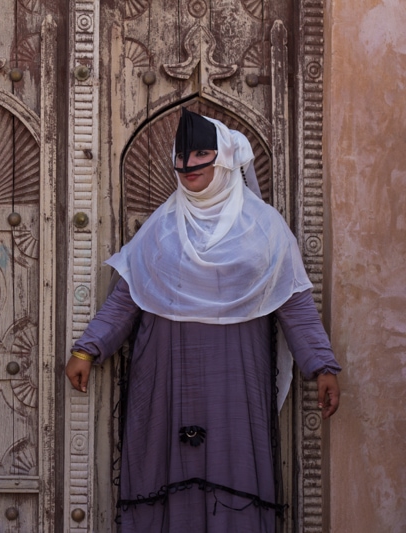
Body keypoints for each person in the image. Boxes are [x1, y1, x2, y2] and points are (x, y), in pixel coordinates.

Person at [65, 108, 341, 532]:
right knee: (166, 475)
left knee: (233, 479)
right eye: (182, 154)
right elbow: (127, 298)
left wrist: (321, 365)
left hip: (235, 379)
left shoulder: (265, 229)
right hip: (166, 375)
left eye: (200, 153)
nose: (189, 164)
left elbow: (294, 302)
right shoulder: (161, 229)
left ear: (225, 158)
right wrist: (89, 347)